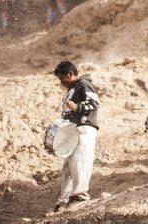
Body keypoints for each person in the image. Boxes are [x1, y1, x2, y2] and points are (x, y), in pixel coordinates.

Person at [53, 61, 100, 212]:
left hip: (84, 128)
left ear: (69, 74)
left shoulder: (83, 84)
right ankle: (64, 199)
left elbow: (94, 103)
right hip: (73, 131)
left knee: (81, 160)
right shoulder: (73, 89)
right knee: (68, 165)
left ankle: (79, 195)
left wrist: (77, 107)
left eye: (62, 78)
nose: (61, 82)